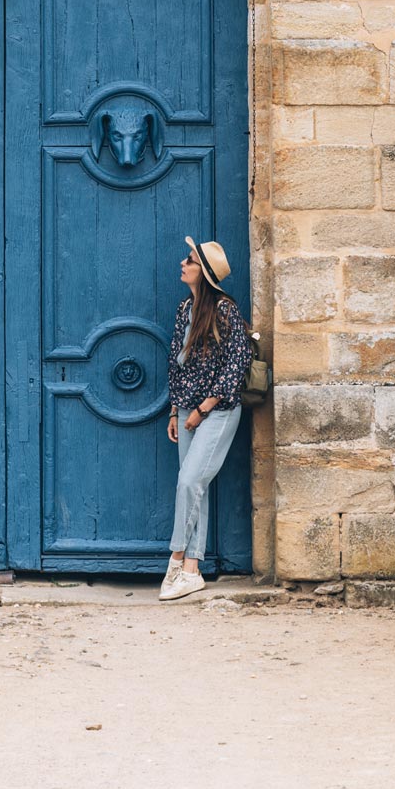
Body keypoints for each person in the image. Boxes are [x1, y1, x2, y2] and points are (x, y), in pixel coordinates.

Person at [159, 236, 253, 603]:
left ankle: (177, 557)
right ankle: (193, 572)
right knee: (196, 485)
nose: (183, 265)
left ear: (206, 274)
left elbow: (236, 365)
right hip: (186, 412)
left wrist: (202, 410)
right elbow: (175, 363)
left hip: (218, 410)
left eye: (190, 261)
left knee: (188, 482)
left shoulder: (225, 311)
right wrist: (175, 410)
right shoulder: (186, 309)